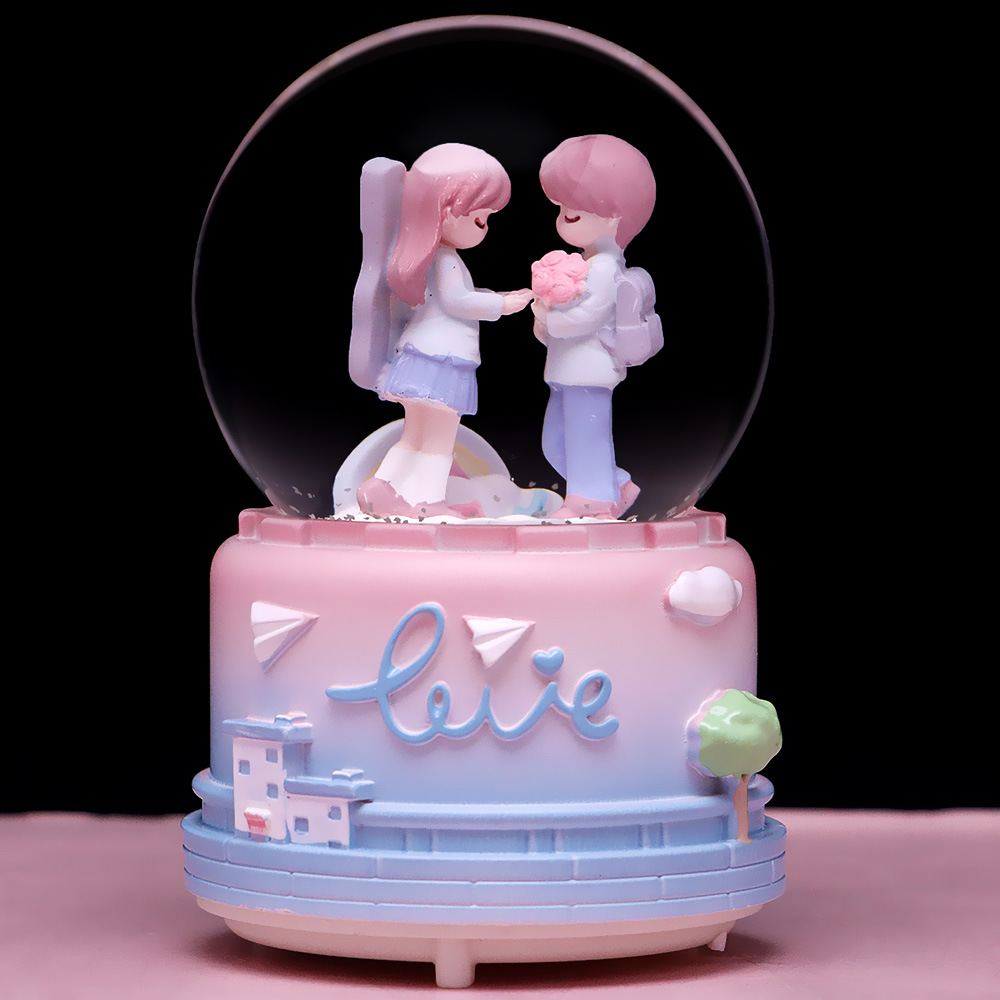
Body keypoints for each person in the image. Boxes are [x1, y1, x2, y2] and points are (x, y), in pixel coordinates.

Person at [354, 143, 532, 518]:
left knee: (415, 434)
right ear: (447, 210)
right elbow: (457, 300)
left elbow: (449, 298)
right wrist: (503, 306)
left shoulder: (424, 255)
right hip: (445, 360)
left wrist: (491, 296)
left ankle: (381, 486)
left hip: (419, 355)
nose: (484, 227)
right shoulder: (446, 257)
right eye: (480, 219)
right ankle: (430, 502)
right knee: (439, 440)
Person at [533, 135, 658, 519]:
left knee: (584, 440)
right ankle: (615, 486)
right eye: (561, 210)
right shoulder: (588, 264)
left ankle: (591, 502)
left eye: (573, 213)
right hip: (568, 369)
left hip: (588, 370)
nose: (563, 217)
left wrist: (546, 314)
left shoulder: (604, 269)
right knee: (556, 443)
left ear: (615, 215)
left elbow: (582, 320)